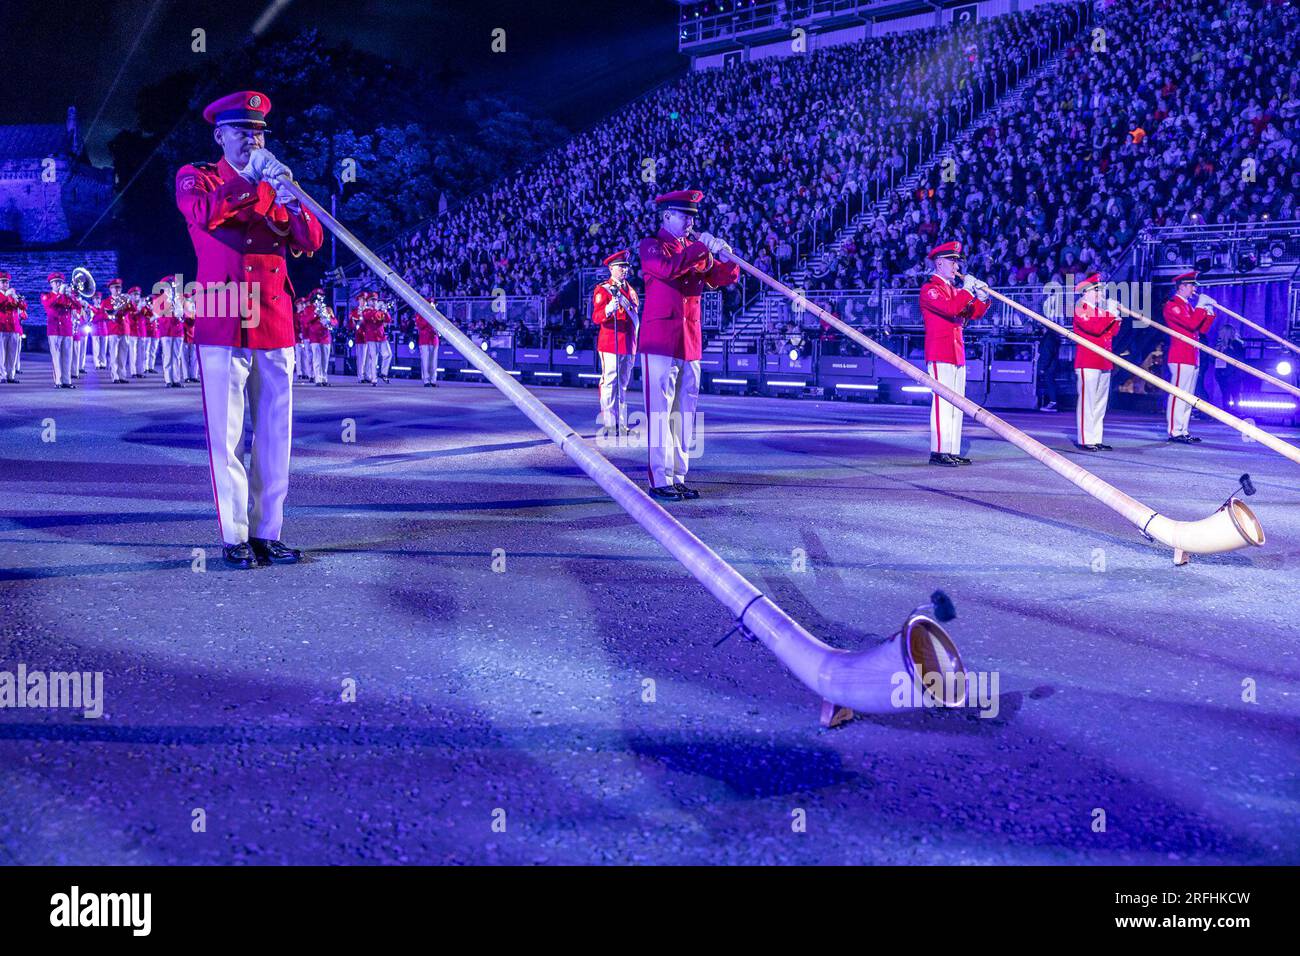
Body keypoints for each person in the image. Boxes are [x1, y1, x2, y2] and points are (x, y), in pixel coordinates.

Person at [175, 89, 323, 568]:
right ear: (220, 136)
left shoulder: (275, 181)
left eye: (259, 133)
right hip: (223, 319)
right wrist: (256, 185)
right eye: (243, 132)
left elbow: (312, 240)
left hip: (275, 321)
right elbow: (203, 215)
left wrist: (293, 198)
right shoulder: (197, 178)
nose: (253, 141)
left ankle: (268, 532)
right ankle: (234, 535)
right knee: (228, 436)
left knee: (276, 434)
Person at [637, 188, 738, 500]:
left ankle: (678, 474)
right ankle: (659, 479)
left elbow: (722, 278)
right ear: (667, 216)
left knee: (684, 413)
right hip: (660, 342)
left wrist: (726, 254)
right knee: (659, 413)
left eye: (693, 217)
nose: (690, 222)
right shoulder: (652, 245)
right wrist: (699, 249)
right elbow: (666, 269)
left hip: (689, 341)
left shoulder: (693, 249)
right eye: (685, 216)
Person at [918, 241, 989, 466]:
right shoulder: (930, 288)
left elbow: (972, 313)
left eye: (957, 261)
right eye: (952, 261)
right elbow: (952, 309)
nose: (956, 265)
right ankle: (939, 450)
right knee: (942, 403)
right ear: (939, 263)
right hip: (940, 352)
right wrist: (967, 290)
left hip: (956, 352)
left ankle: (951, 449)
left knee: (958, 404)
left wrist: (981, 297)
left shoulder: (953, 290)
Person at [1162, 271, 1215, 444]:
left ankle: (1183, 429)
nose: (1194, 290)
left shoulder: (1188, 306)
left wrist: (1209, 312)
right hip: (1179, 356)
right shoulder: (1173, 305)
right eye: (1191, 286)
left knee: (1189, 396)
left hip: (1192, 356)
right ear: (1182, 286)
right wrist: (1200, 306)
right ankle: (1174, 431)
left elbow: (1202, 329)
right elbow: (1191, 324)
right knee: (1178, 394)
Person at [592, 249, 639, 432]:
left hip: (628, 343)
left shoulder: (631, 290)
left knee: (622, 385)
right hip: (611, 342)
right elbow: (596, 318)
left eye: (626, 266)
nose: (624, 270)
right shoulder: (603, 290)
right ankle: (610, 423)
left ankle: (620, 422)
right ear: (611, 269)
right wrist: (608, 310)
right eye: (621, 267)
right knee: (610, 383)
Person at [1071, 273, 1119, 451]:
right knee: (1088, 402)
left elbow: (1111, 333)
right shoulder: (1080, 308)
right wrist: (1110, 314)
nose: (1100, 293)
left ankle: (1096, 437)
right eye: (1096, 289)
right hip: (1088, 361)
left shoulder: (1100, 311)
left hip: (1104, 361)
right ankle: (1085, 439)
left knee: (1100, 403)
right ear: (1086, 292)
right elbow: (1095, 328)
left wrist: (1115, 316)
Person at [40, 272, 79, 388]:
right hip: (54, 329)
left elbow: (78, 307)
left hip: (67, 329)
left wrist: (71, 296)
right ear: (51, 284)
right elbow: (49, 305)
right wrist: (60, 294)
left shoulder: (67, 297)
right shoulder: (46, 295)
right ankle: (58, 381)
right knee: (56, 356)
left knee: (67, 356)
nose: (58, 284)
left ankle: (67, 381)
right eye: (56, 282)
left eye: (60, 282)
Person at [305, 289, 337, 386]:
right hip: (315, 337)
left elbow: (335, 321)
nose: (320, 298)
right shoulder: (309, 308)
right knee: (317, 358)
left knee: (325, 359)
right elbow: (306, 320)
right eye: (318, 296)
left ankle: (324, 379)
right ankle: (318, 379)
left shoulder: (328, 309)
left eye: (322, 296)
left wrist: (329, 322)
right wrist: (316, 312)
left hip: (325, 337)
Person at [102, 279, 130, 384]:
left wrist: (129, 301)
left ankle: (122, 375)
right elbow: (104, 313)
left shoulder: (125, 300)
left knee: (123, 354)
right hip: (113, 329)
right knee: (114, 354)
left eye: (119, 287)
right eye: (115, 288)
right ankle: (115, 376)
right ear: (110, 289)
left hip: (124, 329)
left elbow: (132, 310)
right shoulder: (106, 301)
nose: (118, 290)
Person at [0, 273, 23, 382]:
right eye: (3, 282)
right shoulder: (3, 296)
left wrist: (18, 300)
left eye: (7, 282)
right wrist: (7, 296)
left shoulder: (12, 294)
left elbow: (23, 307)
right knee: (1, 354)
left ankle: (11, 375)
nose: (5, 284)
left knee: (12, 353)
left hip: (14, 327)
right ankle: (1, 375)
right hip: (2, 327)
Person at [416, 298, 440, 387]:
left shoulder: (436, 314)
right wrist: (429, 315)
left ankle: (433, 380)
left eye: (433, 303)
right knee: (425, 361)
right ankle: (426, 380)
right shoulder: (420, 313)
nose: (433, 305)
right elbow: (420, 325)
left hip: (434, 339)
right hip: (424, 339)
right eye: (431, 303)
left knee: (433, 361)